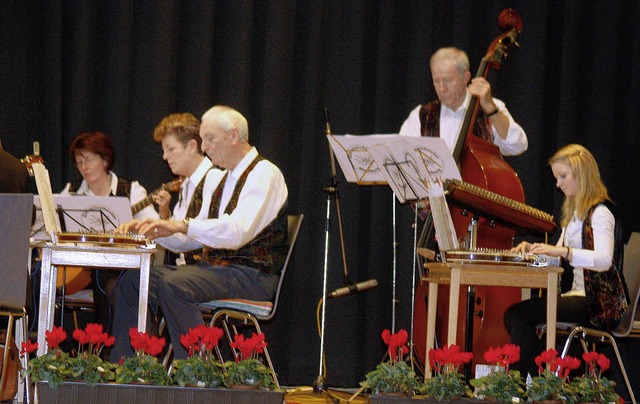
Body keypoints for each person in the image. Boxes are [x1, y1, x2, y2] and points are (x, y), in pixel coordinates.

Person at [110, 105, 288, 360]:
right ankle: (128, 367)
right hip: (218, 271)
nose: (203, 147)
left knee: (176, 284)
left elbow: (237, 231)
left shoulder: (264, 174)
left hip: (252, 275)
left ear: (233, 135)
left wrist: (181, 224)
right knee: (133, 280)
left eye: (209, 139)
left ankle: (198, 374)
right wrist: (157, 230)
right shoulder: (225, 179)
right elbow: (193, 236)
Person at [504, 144, 627, 375]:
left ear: (581, 173)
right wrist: (533, 252)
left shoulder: (600, 213)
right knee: (514, 315)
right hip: (579, 298)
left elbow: (604, 261)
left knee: (519, 315)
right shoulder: (572, 217)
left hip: (598, 304)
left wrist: (564, 252)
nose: (558, 184)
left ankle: (524, 381)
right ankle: (533, 379)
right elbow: (555, 261)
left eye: (563, 176)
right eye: (556, 178)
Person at [60, 131, 159, 334]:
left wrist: (134, 229)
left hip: (120, 268)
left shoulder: (131, 190)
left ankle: (109, 347)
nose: (83, 167)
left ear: (105, 160)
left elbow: (155, 227)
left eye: (88, 160)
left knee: (107, 278)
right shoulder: (72, 191)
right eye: (79, 162)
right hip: (79, 267)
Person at [399, 47, 527, 156]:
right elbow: (401, 156)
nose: (442, 88)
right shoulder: (421, 114)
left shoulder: (491, 107)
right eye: (436, 81)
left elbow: (517, 146)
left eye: (448, 80)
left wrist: (491, 109)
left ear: (466, 77)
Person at [149, 112, 222, 266]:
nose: (165, 156)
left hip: (207, 274)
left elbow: (194, 240)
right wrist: (153, 227)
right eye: (164, 150)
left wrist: (152, 231)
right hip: (187, 272)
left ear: (191, 146)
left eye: (170, 149)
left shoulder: (213, 179)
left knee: (134, 281)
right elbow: (178, 235)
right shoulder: (187, 184)